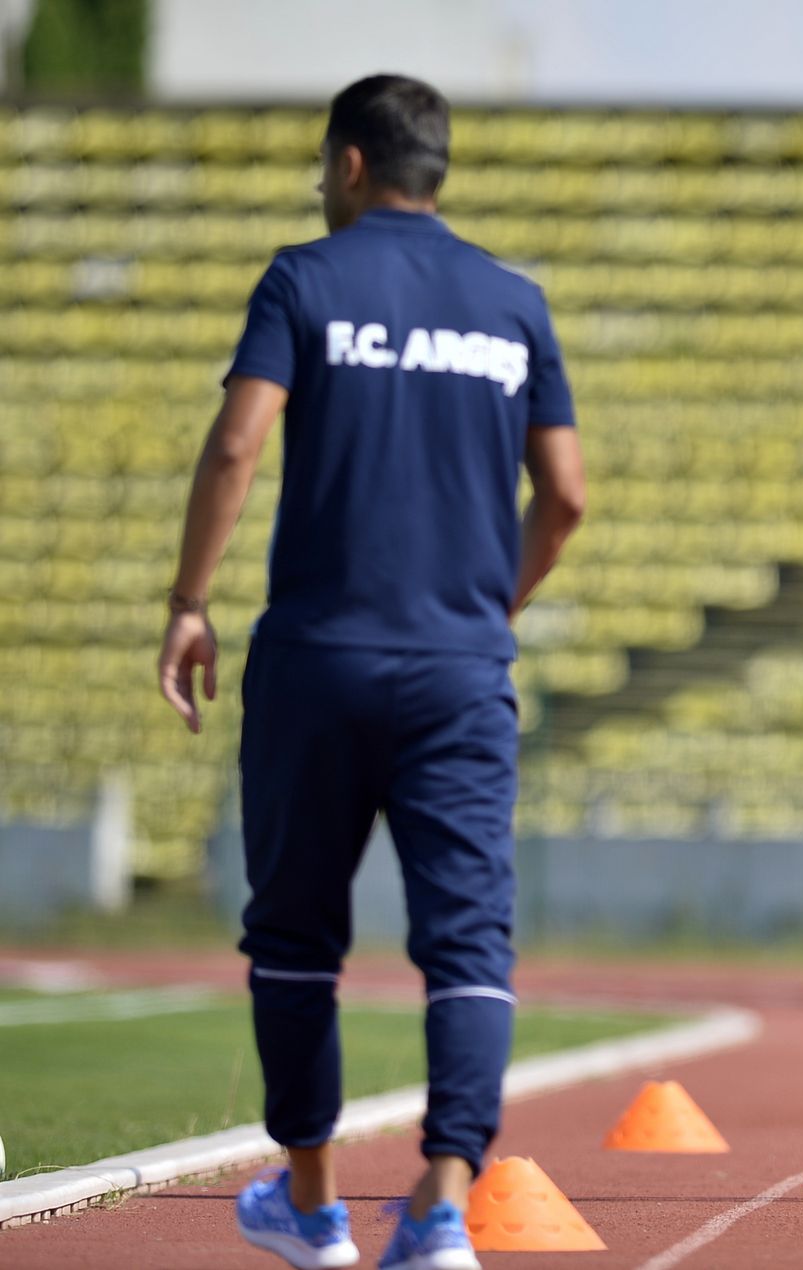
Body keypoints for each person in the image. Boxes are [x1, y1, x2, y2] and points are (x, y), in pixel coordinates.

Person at [158, 74, 584, 1270]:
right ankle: (441, 1206)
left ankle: (311, 1205)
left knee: (296, 936)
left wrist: (188, 603)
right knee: (468, 940)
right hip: (461, 669)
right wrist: (487, 605)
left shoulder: (305, 278)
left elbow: (237, 444)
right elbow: (565, 496)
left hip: (318, 658)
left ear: (350, 164)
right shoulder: (513, 301)